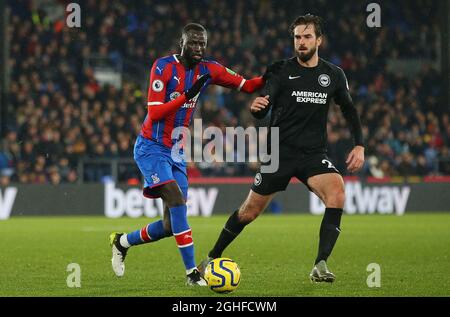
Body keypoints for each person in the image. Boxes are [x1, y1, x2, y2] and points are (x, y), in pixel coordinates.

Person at [109, 23, 280, 286]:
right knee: (178, 204)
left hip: (177, 149)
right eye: (193, 43)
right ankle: (192, 274)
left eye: (202, 43)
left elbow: (247, 85)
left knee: (169, 226)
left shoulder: (208, 69)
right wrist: (188, 94)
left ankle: (121, 242)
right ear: (182, 43)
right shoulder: (163, 67)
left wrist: (270, 75)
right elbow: (154, 112)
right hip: (151, 147)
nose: (198, 48)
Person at [198, 15, 365, 283]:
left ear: (318, 40)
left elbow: (349, 110)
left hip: (313, 155)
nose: (301, 42)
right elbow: (265, 105)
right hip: (279, 153)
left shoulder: (333, 75)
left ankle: (320, 263)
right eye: (297, 37)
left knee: (337, 193)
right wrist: (258, 109)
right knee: (249, 212)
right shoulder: (280, 70)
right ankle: (211, 256)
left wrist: (359, 144)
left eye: (307, 36)